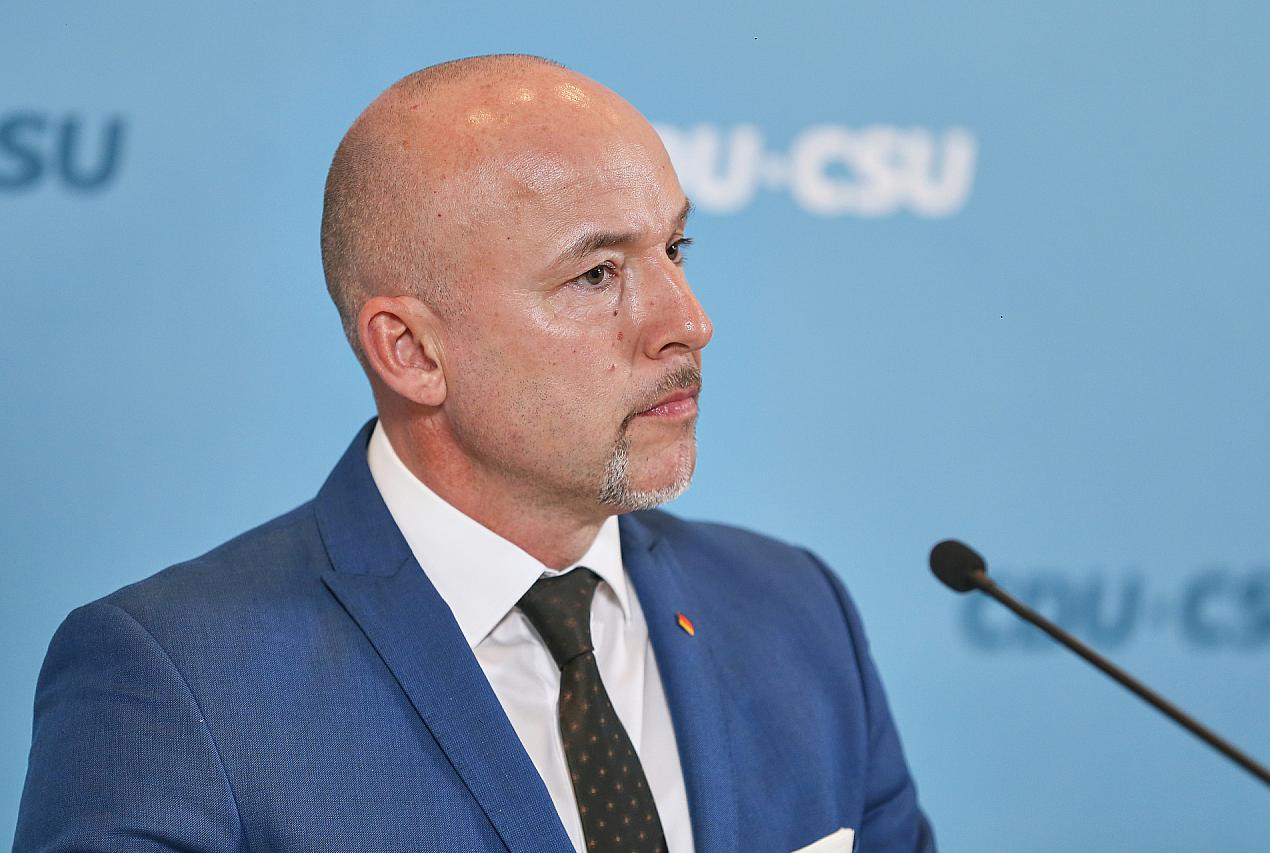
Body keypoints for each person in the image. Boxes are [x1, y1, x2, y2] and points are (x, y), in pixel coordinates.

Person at [15, 55, 934, 852]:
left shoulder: (795, 615)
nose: (688, 322)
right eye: (596, 274)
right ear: (412, 351)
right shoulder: (177, 682)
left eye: (675, 248)